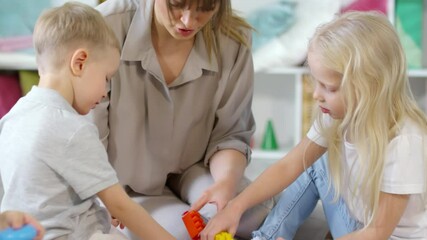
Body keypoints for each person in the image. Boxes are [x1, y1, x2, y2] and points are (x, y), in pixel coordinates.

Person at [200, 11, 427, 240]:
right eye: (316, 83)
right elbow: (289, 166)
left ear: (370, 86)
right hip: (358, 226)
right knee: (316, 159)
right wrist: (235, 207)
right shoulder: (339, 117)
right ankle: (267, 236)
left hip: (382, 236)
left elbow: (378, 232)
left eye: (329, 87)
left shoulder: (404, 141)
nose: (317, 95)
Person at [90, 0, 274, 239]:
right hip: (123, 186)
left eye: (206, 7)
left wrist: (226, 183)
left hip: (195, 169)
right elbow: (87, 140)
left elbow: (231, 133)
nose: (188, 21)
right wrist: (106, 199)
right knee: (183, 234)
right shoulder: (103, 26)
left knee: (258, 214)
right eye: (176, 4)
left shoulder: (233, 40)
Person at [0, 2, 175, 240]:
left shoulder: (13, 117)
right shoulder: (72, 128)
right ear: (79, 62)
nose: (105, 91)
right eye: (106, 77)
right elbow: (122, 206)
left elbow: (42, 192)